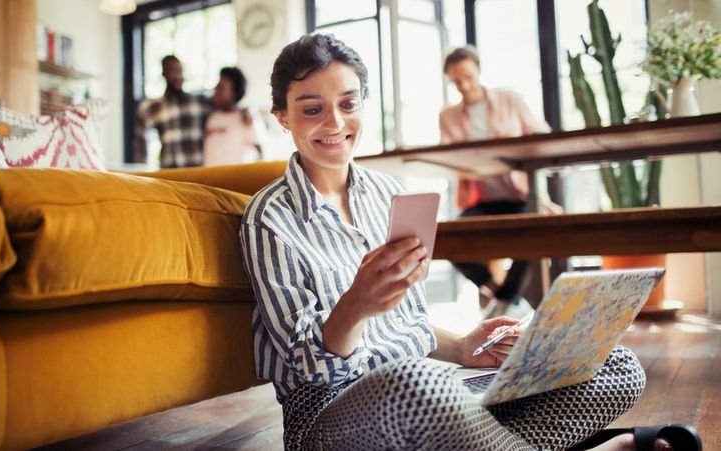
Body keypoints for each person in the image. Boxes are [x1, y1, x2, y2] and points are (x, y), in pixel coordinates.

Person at [239, 33, 658, 451]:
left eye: (348, 104)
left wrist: (462, 348)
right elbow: (311, 369)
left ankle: (485, 439)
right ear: (282, 117)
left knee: (614, 363)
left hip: (430, 398)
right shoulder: (268, 218)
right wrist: (356, 305)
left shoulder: (389, 193)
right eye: (312, 109)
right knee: (417, 384)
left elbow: (405, 323)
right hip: (330, 415)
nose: (335, 123)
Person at [439, 45, 562, 318]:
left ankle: (506, 301)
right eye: (457, 81)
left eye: (468, 77)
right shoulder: (448, 116)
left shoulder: (510, 100)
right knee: (444, 238)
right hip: (482, 200)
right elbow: (449, 158)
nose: (464, 86)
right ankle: (503, 294)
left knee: (533, 229)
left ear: (479, 71)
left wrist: (514, 151)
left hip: (522, 196)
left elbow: (542, 136)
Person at [133, 55, 212, 168]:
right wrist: (140, 170)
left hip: (198, 170)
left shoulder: (200, 102)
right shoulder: (153, 107)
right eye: (172, 71)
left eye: (179, 71)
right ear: (164, 73)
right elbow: (139, 142)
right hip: (170, 170)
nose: (177, 76)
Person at [203, 67, 263, 166]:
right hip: (211, 175)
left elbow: (260, 151)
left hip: (239, 175)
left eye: (221, 87)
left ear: (235, 93)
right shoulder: (212, 118)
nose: (216, 89)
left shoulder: (247, 118)